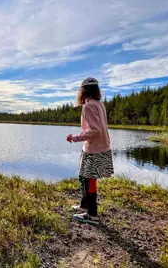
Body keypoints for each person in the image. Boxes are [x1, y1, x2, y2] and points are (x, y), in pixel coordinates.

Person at [66, 77, 114, 225]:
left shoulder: (88, 107)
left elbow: (95, 131)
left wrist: (74, 137)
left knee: (89, 181)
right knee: (84, 178)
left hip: (93, 150)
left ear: (83, 91)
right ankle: (84, 205)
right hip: (99, 147)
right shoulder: (100, 104)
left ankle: (92, 215)